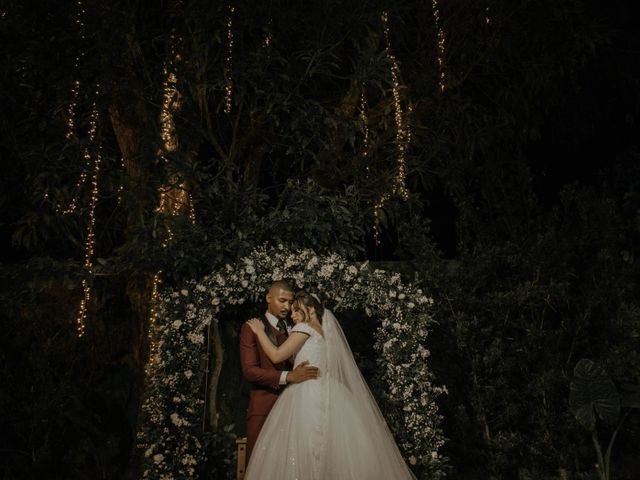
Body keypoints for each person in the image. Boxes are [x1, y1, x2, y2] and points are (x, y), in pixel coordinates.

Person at [244, 291, 416, 480]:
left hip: (306, 391)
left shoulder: (304, 328)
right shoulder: (324, 334)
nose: (293, 315)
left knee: (307, 445)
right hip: (330, 389)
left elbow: (277, 355)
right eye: (292, 311)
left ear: (310, 309)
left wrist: (260, 332)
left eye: (297, 311)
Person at [239, 280, 319, 461]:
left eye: (290, 302)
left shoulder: (296, 326)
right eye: (282, 300)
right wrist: (289, 376)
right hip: (264, 406)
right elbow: (249, 371)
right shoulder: (252, 327)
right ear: (268, 298)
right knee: (261, 462)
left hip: (297, 406)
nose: (287, 307)